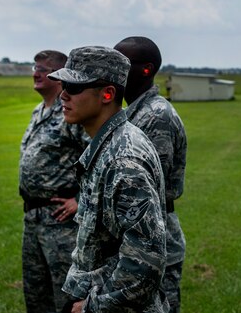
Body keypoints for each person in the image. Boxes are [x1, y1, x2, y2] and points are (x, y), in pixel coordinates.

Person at [49, 46, 168, 313]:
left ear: (107, 94)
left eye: (74, 86)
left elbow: (145, 262)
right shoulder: (110, 145)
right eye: (63, 85)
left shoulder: (123, 159)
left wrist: (90, 307)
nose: (63, 94)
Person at [114, 36, 187, 313]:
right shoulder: (132, 113)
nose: (114, 71)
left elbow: (150, 187)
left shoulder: (156, 115)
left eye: (122, 64)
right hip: (137, 238)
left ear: (146, 69)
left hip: (154, 244)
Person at [19, 50, 90, 313]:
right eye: (34, 67)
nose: (36, 73)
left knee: (65, 297)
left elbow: (97, 157)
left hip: (60, 223)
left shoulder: (70, 113)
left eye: (43, 69)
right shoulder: (39, 111)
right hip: (33, 219)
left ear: (59, 76)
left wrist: (80, 201)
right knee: (36, 296)